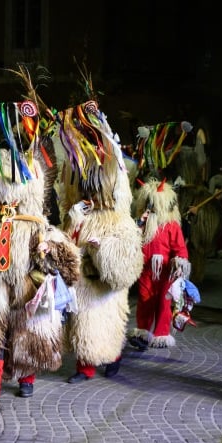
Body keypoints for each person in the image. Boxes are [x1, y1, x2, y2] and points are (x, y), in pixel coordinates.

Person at [0, 100, 81, 407]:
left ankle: (27, 380)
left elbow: (67, 261)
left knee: (26, 335)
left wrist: (49, 251)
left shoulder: (35, 223)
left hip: (26, 290)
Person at [51, 100, 144, 384]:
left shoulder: (118, 203)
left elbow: (126, 255)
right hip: (83, 264)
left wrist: (103, 248)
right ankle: (85, 367)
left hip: (106, 258)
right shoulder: (76, 181)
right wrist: (73, 218)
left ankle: (114, 357)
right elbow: (67, 219)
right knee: (83, 318)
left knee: (110, 315)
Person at [128, 177, 191, 350]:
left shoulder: (171, 226)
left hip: (165, 271)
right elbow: (133, 238)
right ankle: (143, 334)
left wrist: (179, 262)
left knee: (164, 303)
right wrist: (139, 223)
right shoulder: (143, 223)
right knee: (145, 300)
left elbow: (180, 248)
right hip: (146, 269)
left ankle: (162, 334)